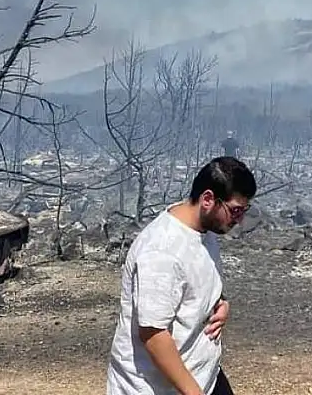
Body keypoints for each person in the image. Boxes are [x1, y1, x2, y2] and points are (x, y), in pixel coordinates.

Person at [106, 156, 257, 395]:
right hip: (157, 387)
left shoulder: (202, 229)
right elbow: (153, 335)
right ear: (208, 199)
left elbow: (194, 281)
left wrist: (221, 302)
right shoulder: (161, 251)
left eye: (243, 210)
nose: (240, 220)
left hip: (203, 374)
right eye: (235, 211)